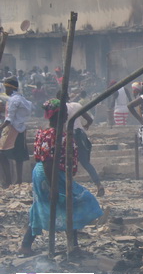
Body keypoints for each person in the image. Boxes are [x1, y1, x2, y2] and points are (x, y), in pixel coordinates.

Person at [19, 99, 103, 255]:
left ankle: (29, 244)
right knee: (75, 201)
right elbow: (48, 162)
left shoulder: (46, 132)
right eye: (64, 113)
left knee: (51, 205)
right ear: (60, 115)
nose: (66, 116)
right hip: (50, 173)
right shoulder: (54, 134)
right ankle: (73, 246)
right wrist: (53, 186)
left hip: (46, 173)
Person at [66, 98, 104, 196]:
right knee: (86, 163)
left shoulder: (61, 107)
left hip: (69, 136)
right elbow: (90, 120)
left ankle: (68, 189)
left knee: (67, 163)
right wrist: (85, 125)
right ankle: (99, 185)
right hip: (81, 135)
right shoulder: (77, 105)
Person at [0, 77, 33, 187]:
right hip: (21, 129)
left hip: (11, 129)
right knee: (19, 155)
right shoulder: (22, 99)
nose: (5, 91)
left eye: (6, 88)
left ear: (10, 88)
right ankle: (18, 180)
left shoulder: (13, 100)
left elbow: (9, 119)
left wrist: (1, 127)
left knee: (2, 154)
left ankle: (8, 181)